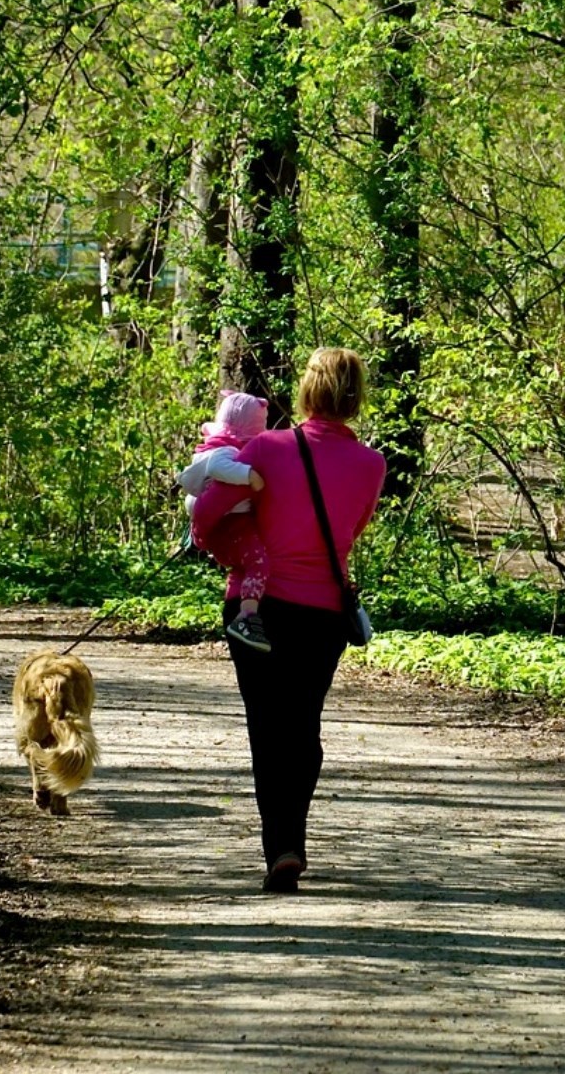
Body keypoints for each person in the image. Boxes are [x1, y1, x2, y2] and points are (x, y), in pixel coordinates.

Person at [192, 348, 386, 893]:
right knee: (303, 725)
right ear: (356, 397)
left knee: (267, 727)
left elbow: (205, 514)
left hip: (258, 609)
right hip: (323, 613)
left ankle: (281, 846)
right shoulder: (372, 466)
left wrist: (226, 550)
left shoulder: (265, 449)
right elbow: (352, 532)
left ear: (306, 391)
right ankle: (292, 840)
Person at [175, 391, 273, 652]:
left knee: (242, 566)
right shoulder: (225, 451)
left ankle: (240, 607)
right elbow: (219, 468)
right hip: (232, 524)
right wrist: (249, 475)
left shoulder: (214, 448)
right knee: (258, 562)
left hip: (222, 527)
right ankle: (247, 617)